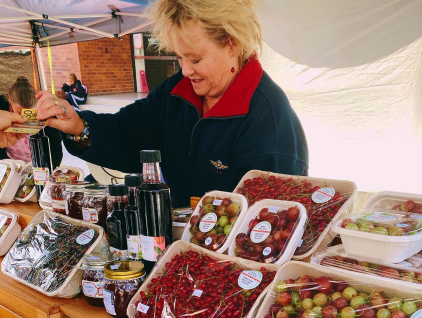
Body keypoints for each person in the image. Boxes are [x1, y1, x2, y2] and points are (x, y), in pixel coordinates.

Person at [32, 0, 308, 208]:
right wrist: (79, 126)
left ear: (231, 44)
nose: (185, 70)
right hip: (181, 246)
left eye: (195, 59)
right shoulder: (175, 92)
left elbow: (273, 220)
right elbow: (128, 133)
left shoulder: (269, 120)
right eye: (179, 57)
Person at [0, 76, 62, 167]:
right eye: (19, 112)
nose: (24, 118)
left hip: (39, 163)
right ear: (9, 98)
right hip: (11, 163)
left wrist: (50, 167)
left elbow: (55, 146)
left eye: (29, 112)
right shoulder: (2, 109)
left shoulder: (45, 112)